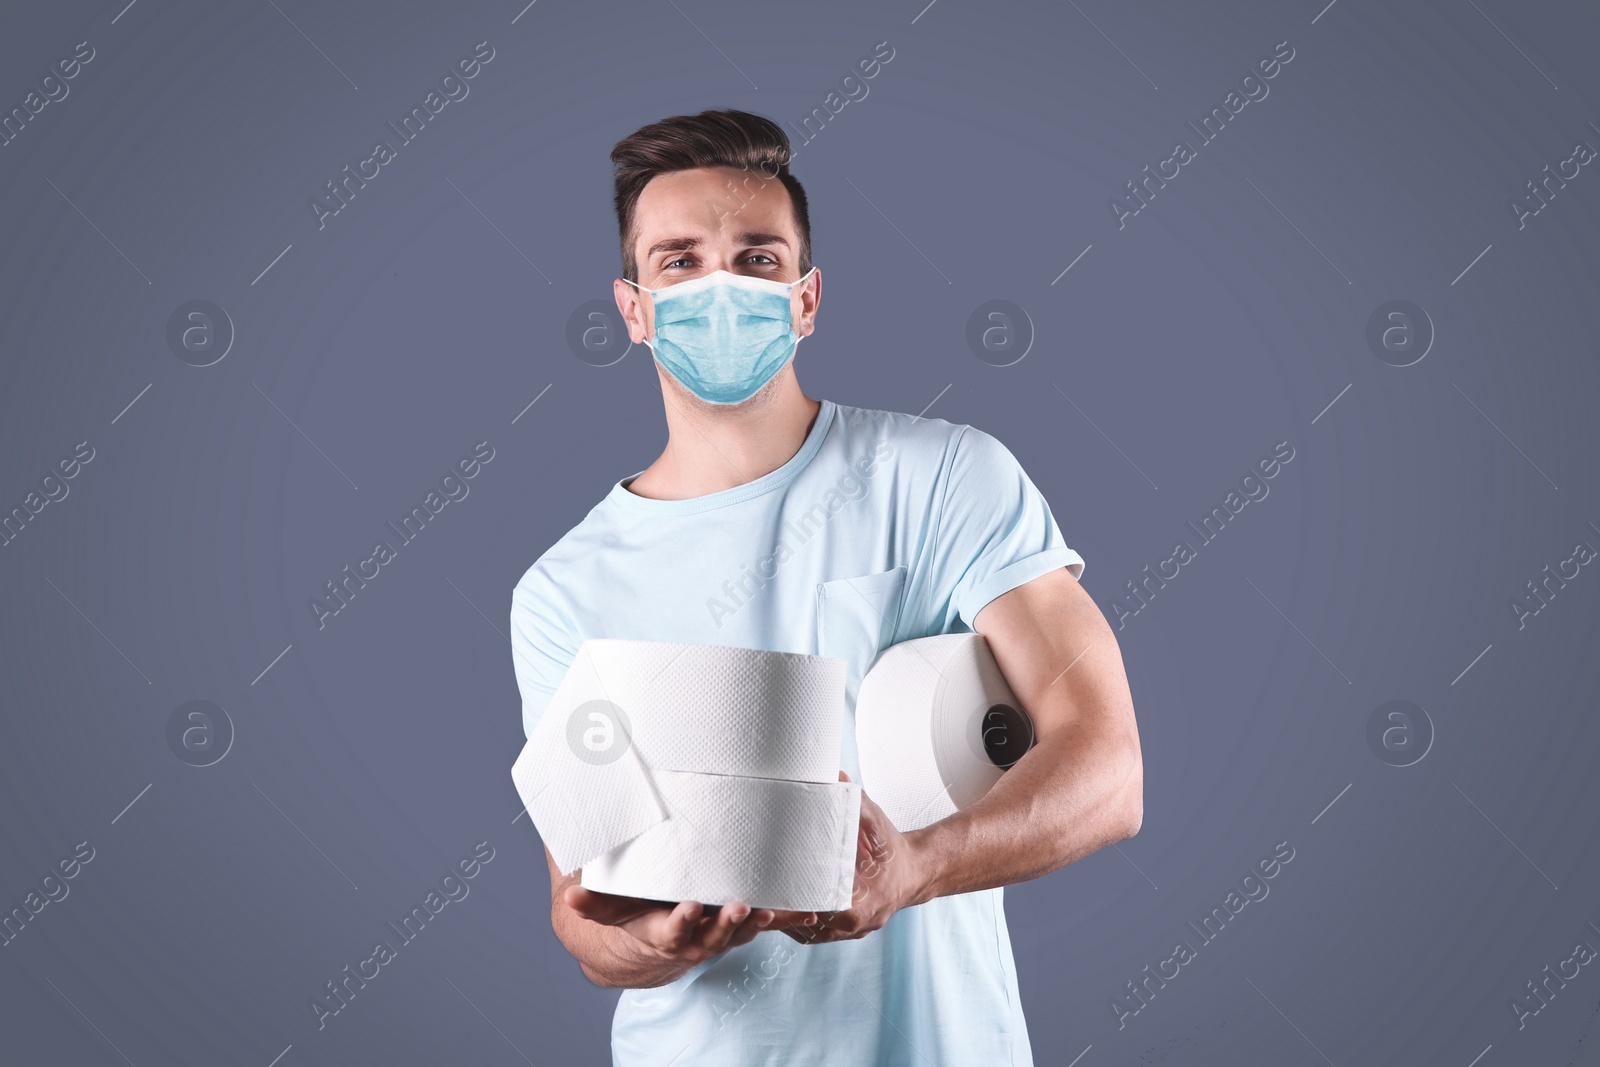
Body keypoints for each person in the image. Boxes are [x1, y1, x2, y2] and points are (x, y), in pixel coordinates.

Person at [509, 108, 1143, 1066]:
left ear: (806, 299)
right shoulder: (563, 592)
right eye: (678, 260)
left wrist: (917, 869)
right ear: (632, 308)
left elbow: (1110, 772)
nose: (719, 285)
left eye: (756, 258)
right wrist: (648, 943)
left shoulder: (943, 480)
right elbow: (582, 913)